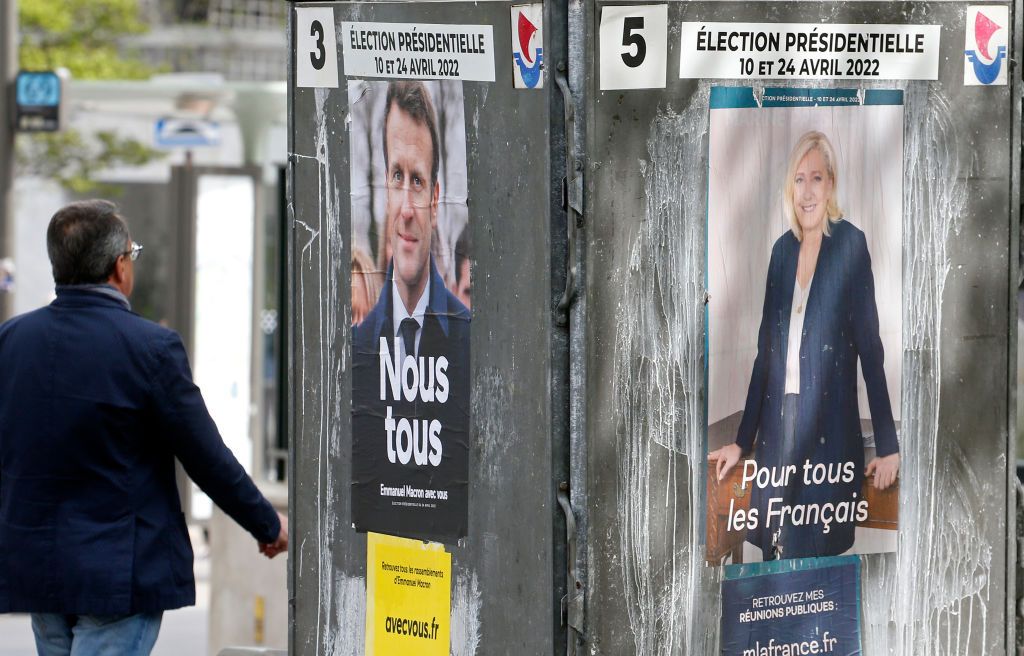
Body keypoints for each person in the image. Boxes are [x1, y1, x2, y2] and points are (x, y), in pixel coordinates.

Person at [0, 200, 287, 655]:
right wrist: (267, 524)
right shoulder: (149, 348)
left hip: (40, 570)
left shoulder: (13, 341)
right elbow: (205, 457)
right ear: (119, 267)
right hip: (118, 572)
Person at [708, 131, 900, 560]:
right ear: (789, 188)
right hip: (778, 435)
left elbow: (871, 348)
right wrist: (742, 441)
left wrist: (887, 445)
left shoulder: (850, 245)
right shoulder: (780, 252)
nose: (807, 191)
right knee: (777, 564)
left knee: (818, 572)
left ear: (830, 184)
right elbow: (765, 357)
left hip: (828, 435)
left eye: (816, 178)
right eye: (799, 179)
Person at [351, 81, 470, 541]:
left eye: (416, 181)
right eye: (395, 177)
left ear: (436, 202)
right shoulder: (359, 347)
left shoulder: (468, 341)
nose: (405, 208)